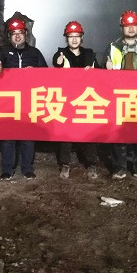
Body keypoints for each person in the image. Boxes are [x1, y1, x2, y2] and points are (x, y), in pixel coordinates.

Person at [0, 17, 47, 180]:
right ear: (9, 36)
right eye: (14, 33)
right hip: (8, 101)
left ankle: (27, 168)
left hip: (29, 101)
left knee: (27, 135)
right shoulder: (2, 51)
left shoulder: (34, 53)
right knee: (7, 136)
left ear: (25, 35)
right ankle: (7, 169)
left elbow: (46, 73)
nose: (17, 36)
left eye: (20, 33)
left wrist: (35, 71)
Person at [105, 10, 137, 180]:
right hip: (119, 94)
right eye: (127, 26)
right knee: (119, 132)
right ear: (121, 28)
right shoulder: (113, 47)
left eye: (134, 25)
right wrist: (106, 67)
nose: (131, 29)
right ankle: (120, 167)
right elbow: (104, 70)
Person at [52, 21, 99, 179]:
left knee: (89, 131)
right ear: (66, 38)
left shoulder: (89, 54)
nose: (74, 39)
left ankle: (91, 163)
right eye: (70, 36)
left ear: (82, 38)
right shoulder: (61, 53)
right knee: (66, 134)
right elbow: (56, 62)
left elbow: (101, 73)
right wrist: (58, 62)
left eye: (77, 36)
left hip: (86, 99)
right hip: (67, 99)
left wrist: (97, 69)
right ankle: (65, 164)